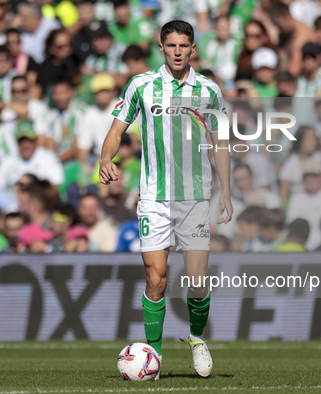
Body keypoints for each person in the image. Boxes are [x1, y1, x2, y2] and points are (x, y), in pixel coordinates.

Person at [99, 20, 233, 378]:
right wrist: (104, 158)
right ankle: (153, 358)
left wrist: (227, 190)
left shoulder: (208, 90)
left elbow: (220, 142)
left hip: (194, 198)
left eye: (183, 46)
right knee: (155, 278)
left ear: (193, 49)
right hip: (154, 198)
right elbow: (116, 131)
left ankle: (196, 338)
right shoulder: (141, 86)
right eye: (171, 45)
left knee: (197, 282)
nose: (177, 52)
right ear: (161, 47)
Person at [0, 121, 65, 195]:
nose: (26, 145)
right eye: (21, 141)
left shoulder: (48, 158)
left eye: (30, 140)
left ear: (36, 141)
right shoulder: (8, 162)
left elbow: (55, 187)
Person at [286, 159, 321, 250]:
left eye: (314, 175)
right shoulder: (295, 197)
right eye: (306, 176)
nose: (309, 179)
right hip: (297, 248)